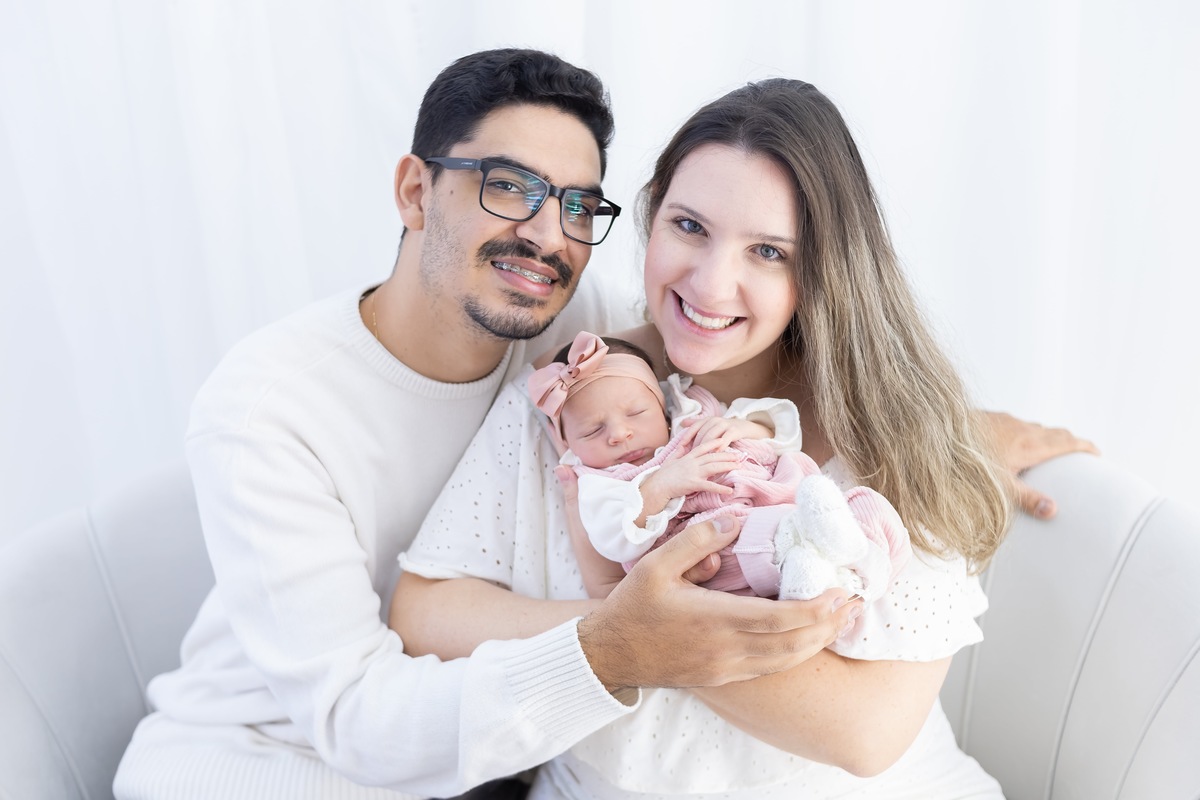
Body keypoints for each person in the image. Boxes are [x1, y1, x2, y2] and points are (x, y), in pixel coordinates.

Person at [112, 49, 871, 800]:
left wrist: (968, 434)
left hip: (485, 761)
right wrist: (615, 645)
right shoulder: (269, 408)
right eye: (508, 187)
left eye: (577, 205)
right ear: (415, 191)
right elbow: (354, 720)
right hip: (272, 759)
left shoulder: (579, 325)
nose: (547, 236)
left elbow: (743, 356)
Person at [392, 77, 1061, 798]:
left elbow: (866, 734)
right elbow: (426, 610)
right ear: (652, 216)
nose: (710, 286)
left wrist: (651, 632)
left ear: (824, 269)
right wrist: (619, 632)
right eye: (689, 226)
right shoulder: (584, 391)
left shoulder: (898, 432)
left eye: (768, 252)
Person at [527, 330, 911, 606]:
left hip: (787, 493)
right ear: (569, 446)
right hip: (733, 541)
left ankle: (864, 559)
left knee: (864, 504)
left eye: (636, 412)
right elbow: (613, 537)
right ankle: (813, 572)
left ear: (662, 404)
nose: (619, 434)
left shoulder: (692, 413)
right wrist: (661, 486)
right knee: (766, 546)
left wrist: (744, 426)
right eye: (593, 430)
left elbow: (782, 430)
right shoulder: (602, 483)